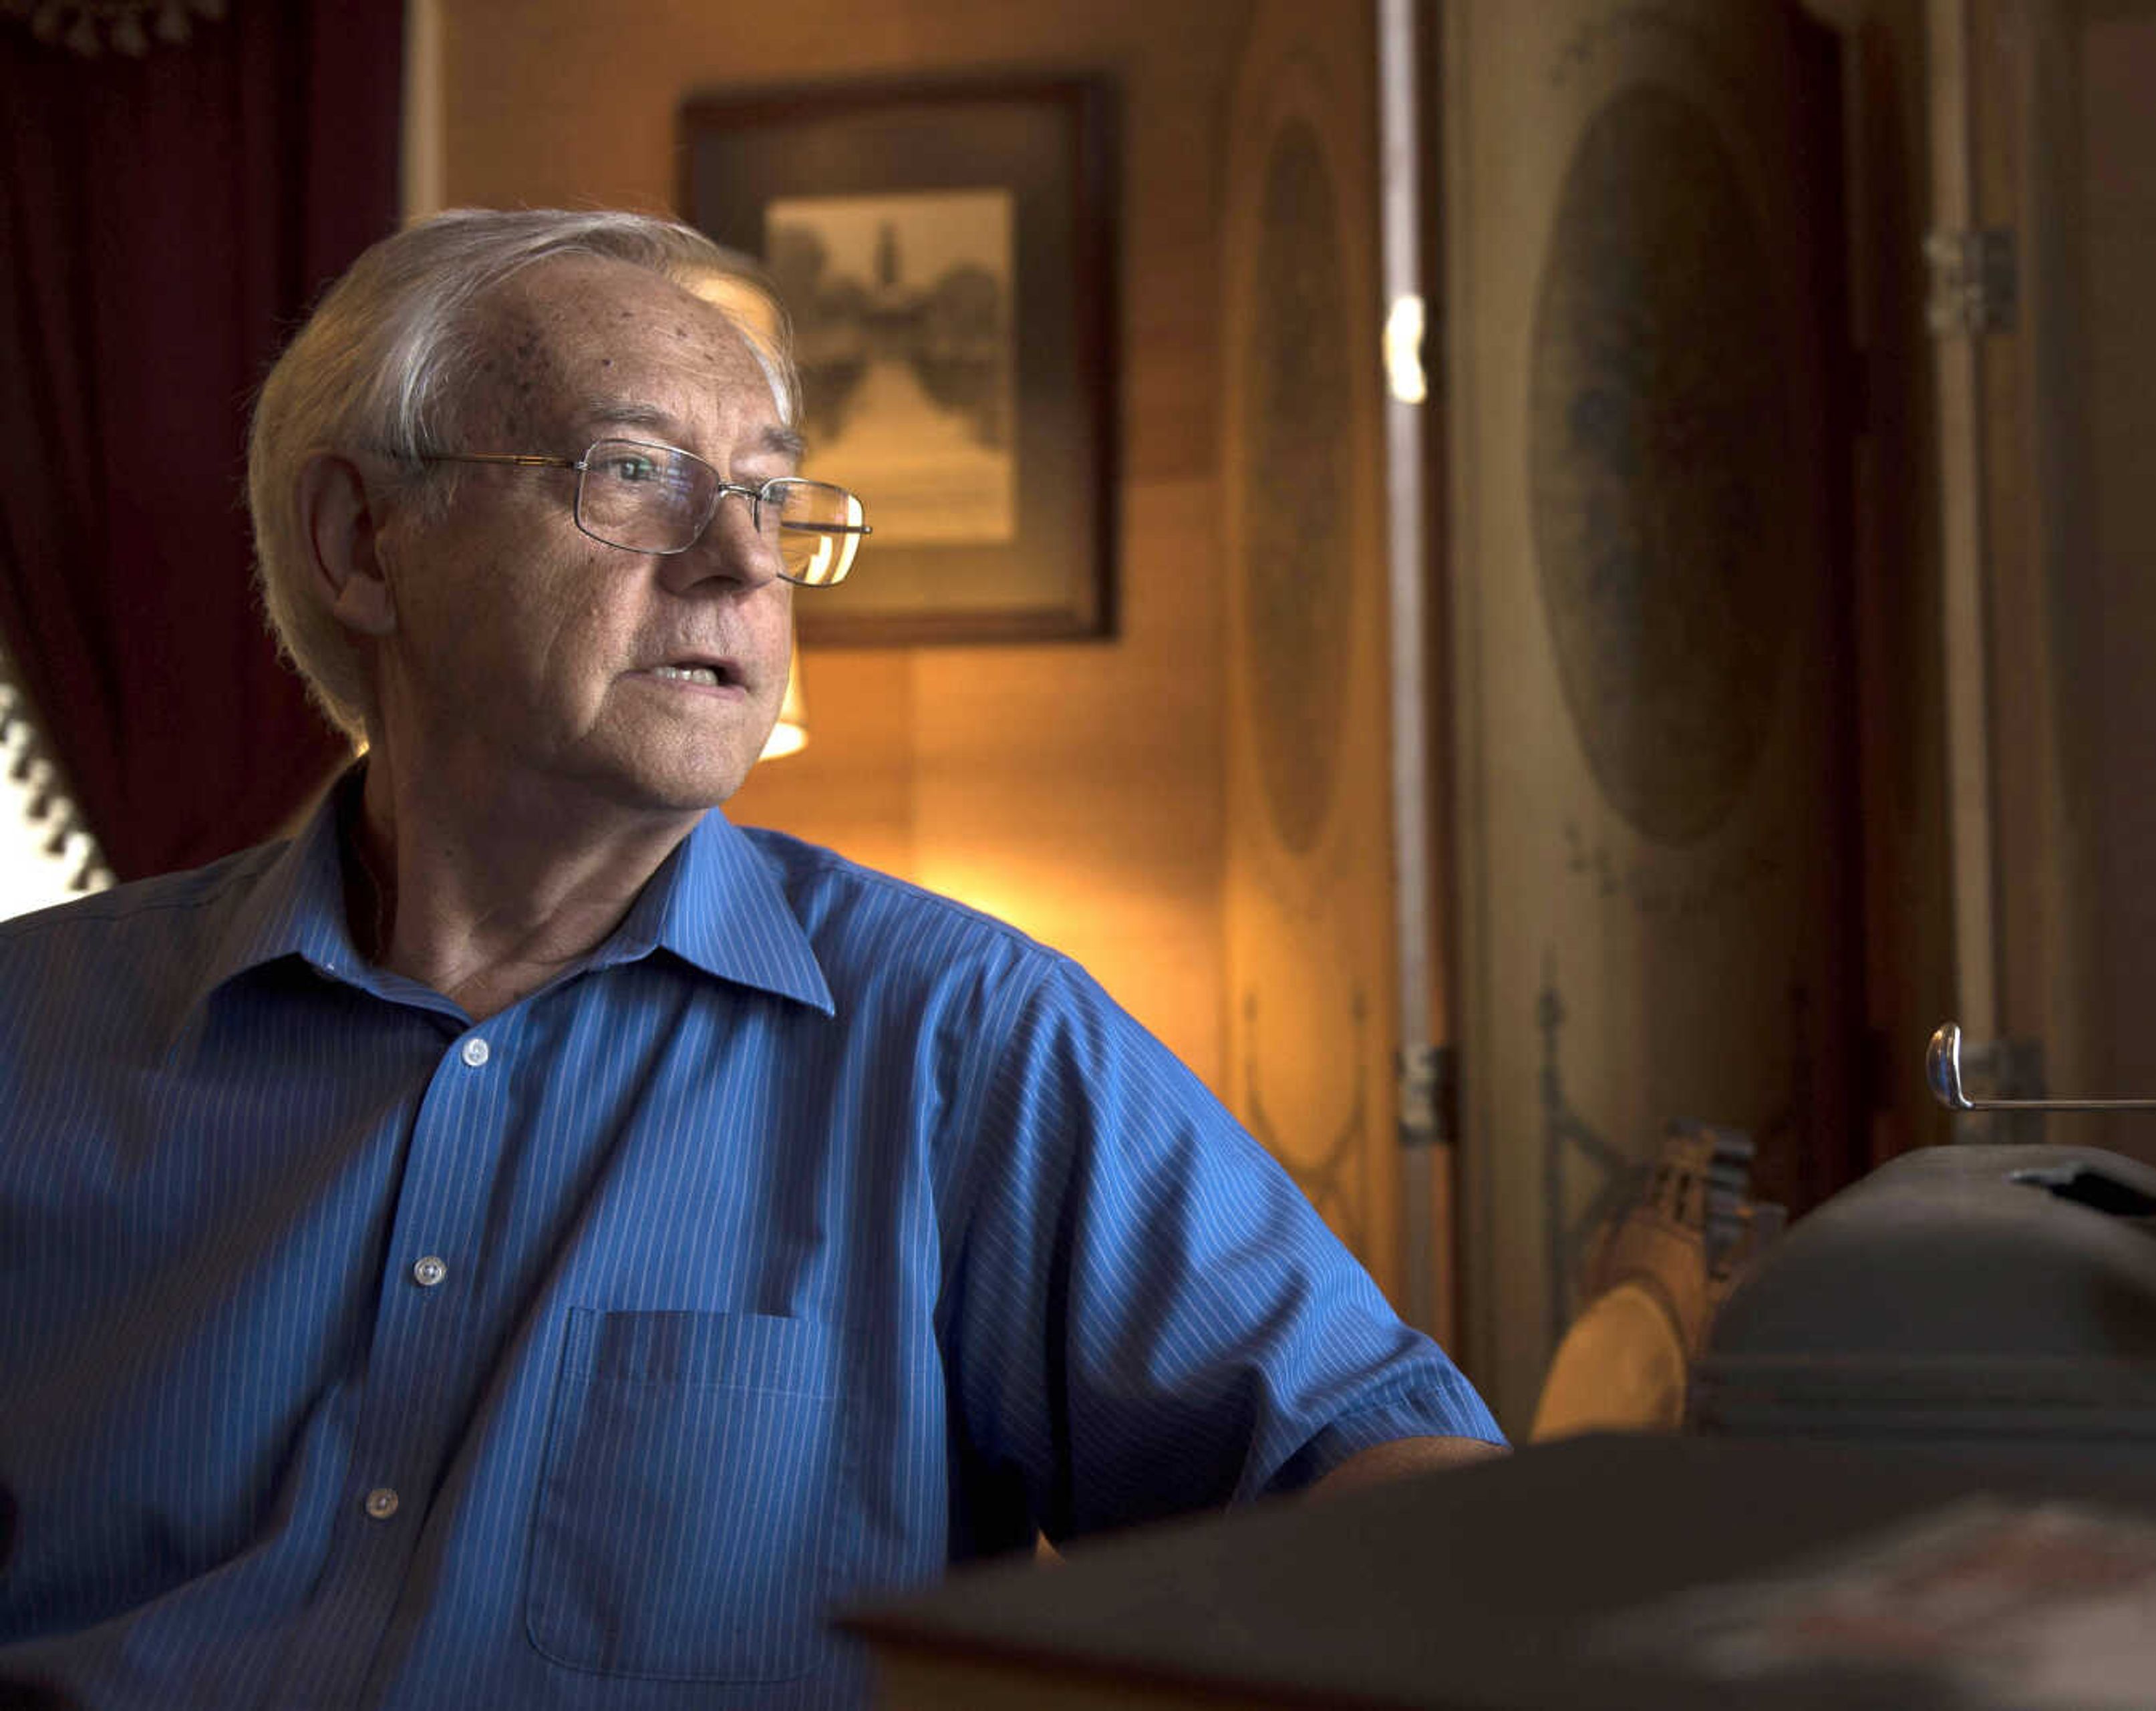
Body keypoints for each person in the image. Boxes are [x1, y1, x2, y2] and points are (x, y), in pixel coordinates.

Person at [0, 208, 1503, 1708]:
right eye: (635, 472)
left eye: (772, 495)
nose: (737, 563)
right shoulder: (34, 1033)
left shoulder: (964, 1037)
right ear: (363, 541)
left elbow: (1366, 1468)